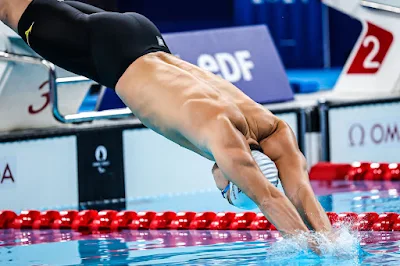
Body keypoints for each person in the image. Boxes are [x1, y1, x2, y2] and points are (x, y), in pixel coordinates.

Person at [0, 0, 332, 238]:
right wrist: (313, 253)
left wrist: (331, 243)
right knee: (8, 9)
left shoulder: (273, 126)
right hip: (109, 56)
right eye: (227, 191)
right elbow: (271, 199)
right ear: (233, 176)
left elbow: (301, 191)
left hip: (144, 36)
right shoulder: (225, 141)